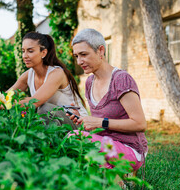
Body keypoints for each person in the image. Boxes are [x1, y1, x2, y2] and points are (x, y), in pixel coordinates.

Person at [68, 28, 148, 172]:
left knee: (74, 138)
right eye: (76, 56)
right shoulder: (89, 82)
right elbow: (98, 126)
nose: (79, 61)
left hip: (130, 150)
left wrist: (101, 122)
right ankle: (118, 178)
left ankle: (121, 175)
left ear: (100, 51)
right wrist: (83, 119)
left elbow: (140, 123)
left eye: (84, 54)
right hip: (105, 147)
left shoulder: (121, 79)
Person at [8, 31, 88, 129]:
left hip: (79, 124)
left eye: (30, 51)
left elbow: (34, 102)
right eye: (23, 51)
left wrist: (6, 103)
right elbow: (7, 96)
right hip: (56, 123)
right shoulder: (27, 75)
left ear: (43, 53)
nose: (25, 56)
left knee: (44, 108)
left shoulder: (57, 73)